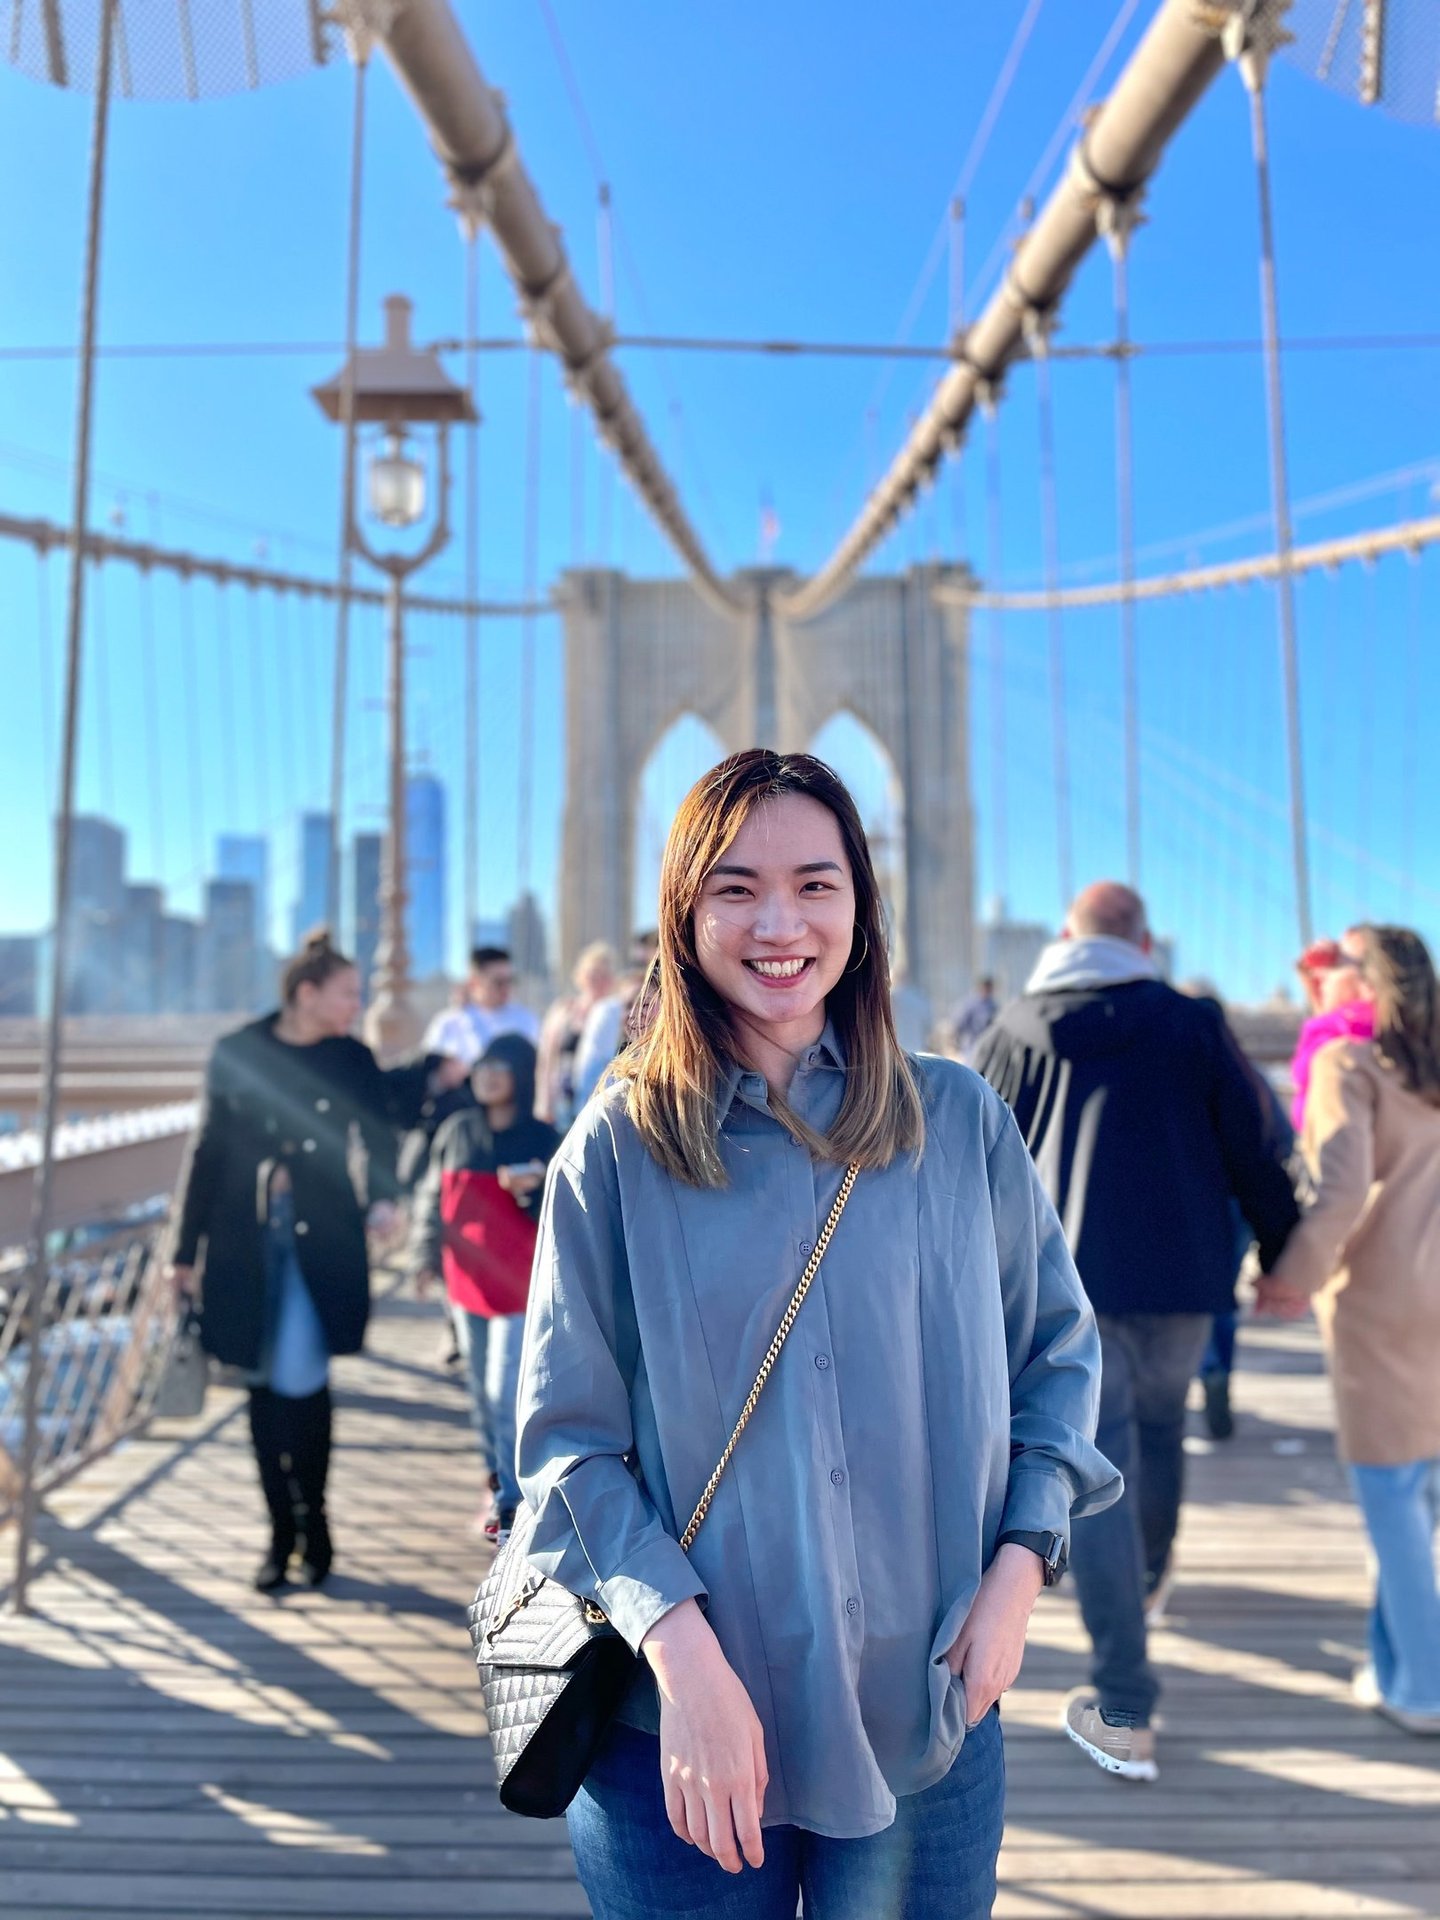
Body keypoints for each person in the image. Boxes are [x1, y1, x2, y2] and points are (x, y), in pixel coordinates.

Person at [515, 749, 1118, 1919]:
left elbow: (1056, 1354)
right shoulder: (618, 1148)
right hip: (677, 1736)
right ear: (684, 915)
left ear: (861, 905)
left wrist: (1019, 1571)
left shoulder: (959, 1121)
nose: (779, 923)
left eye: (815, 884)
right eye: (735, 888)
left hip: (927, 1720)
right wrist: (682, 1657)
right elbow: (562, 1443)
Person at [973, 881, 1298, 1780]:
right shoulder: (1193, 1024)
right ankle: (1147, 1583)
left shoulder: (1015, 1030)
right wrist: (1281, 1255)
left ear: (1066, 935)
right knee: (1160, 1432)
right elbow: (1255, 1147)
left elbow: (964, 1171)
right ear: (1144, 943)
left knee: (1099, 1471)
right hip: (1186, 1284)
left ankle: (1126, 1698)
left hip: (1066, 1295)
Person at [165, 930, 429, 1591]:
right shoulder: (238, 1052)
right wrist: (182, 1253)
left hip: (321, 1240)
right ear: (306, 995)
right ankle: (280, 1530)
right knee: (261, 1384)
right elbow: (207, 1152)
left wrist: (385, 1198)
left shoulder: (351, 1057)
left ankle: (315, 1522)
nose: (357, 1005)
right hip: (242, 1241)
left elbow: (377, 1134)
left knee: (302, 1380)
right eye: (347, 994)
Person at [1259, 926, 1440, 1736]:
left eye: (1334, 961)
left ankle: (1423, 1687)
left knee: (1391, 1494)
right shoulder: (1425, 1065)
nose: (1319, 969)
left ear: (1366, 982)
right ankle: (1392, 1665)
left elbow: (1338, 1193)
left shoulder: (1346, 1063)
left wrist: (1289, 1278)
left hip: (1383, 1301)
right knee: (1421, 1489)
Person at [409, 1034, 561, 1542]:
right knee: (480, 1393)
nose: (488, 1074)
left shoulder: (544, 1137)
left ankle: (514, 1502)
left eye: (501, 1065)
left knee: (504, 1392)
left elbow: (563, 1214)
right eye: (483, 1065)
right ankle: (497, 1485)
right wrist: (423, 1257)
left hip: (518, 1287)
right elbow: (432, 1197)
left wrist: (530, 1193)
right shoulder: (457, 1130)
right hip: (464, 1285)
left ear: (521, 1072)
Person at [1291, 931, 1376, 1134]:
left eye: (1336, 963)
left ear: (1368, 980)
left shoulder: (1343, 1055)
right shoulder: (1336, 1034)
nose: (1321, 973)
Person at [569, 930, 660, 1110]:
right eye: (592, 974)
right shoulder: (571, 1009)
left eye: (644, 1004)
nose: (633, 1014)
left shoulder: (608, 1009)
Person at [536, 941, 618, 1127]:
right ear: (579, 976)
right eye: (592, 974)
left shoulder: (614, 1014)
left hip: (598, 1094)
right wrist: (544, 1101)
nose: (597, 980)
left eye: (603, 975)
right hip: (563, 1096)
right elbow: (547, 1057)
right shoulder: (563, 1009)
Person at [423, 946, 540, 1067]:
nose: (506, 988)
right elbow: (430, 1066)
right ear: (474, 982)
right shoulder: (449, 1022)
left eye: (510, 981)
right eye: (498, 982)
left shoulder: (525, 1019)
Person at [949, 976, 998, 1060]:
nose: (987, 991)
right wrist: (957, 1039)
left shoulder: (992, 1005)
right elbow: (959, 1022)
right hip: (970, 1045)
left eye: (989, 988)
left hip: (986, 1046)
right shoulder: (970, 1004)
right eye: (985, 988)